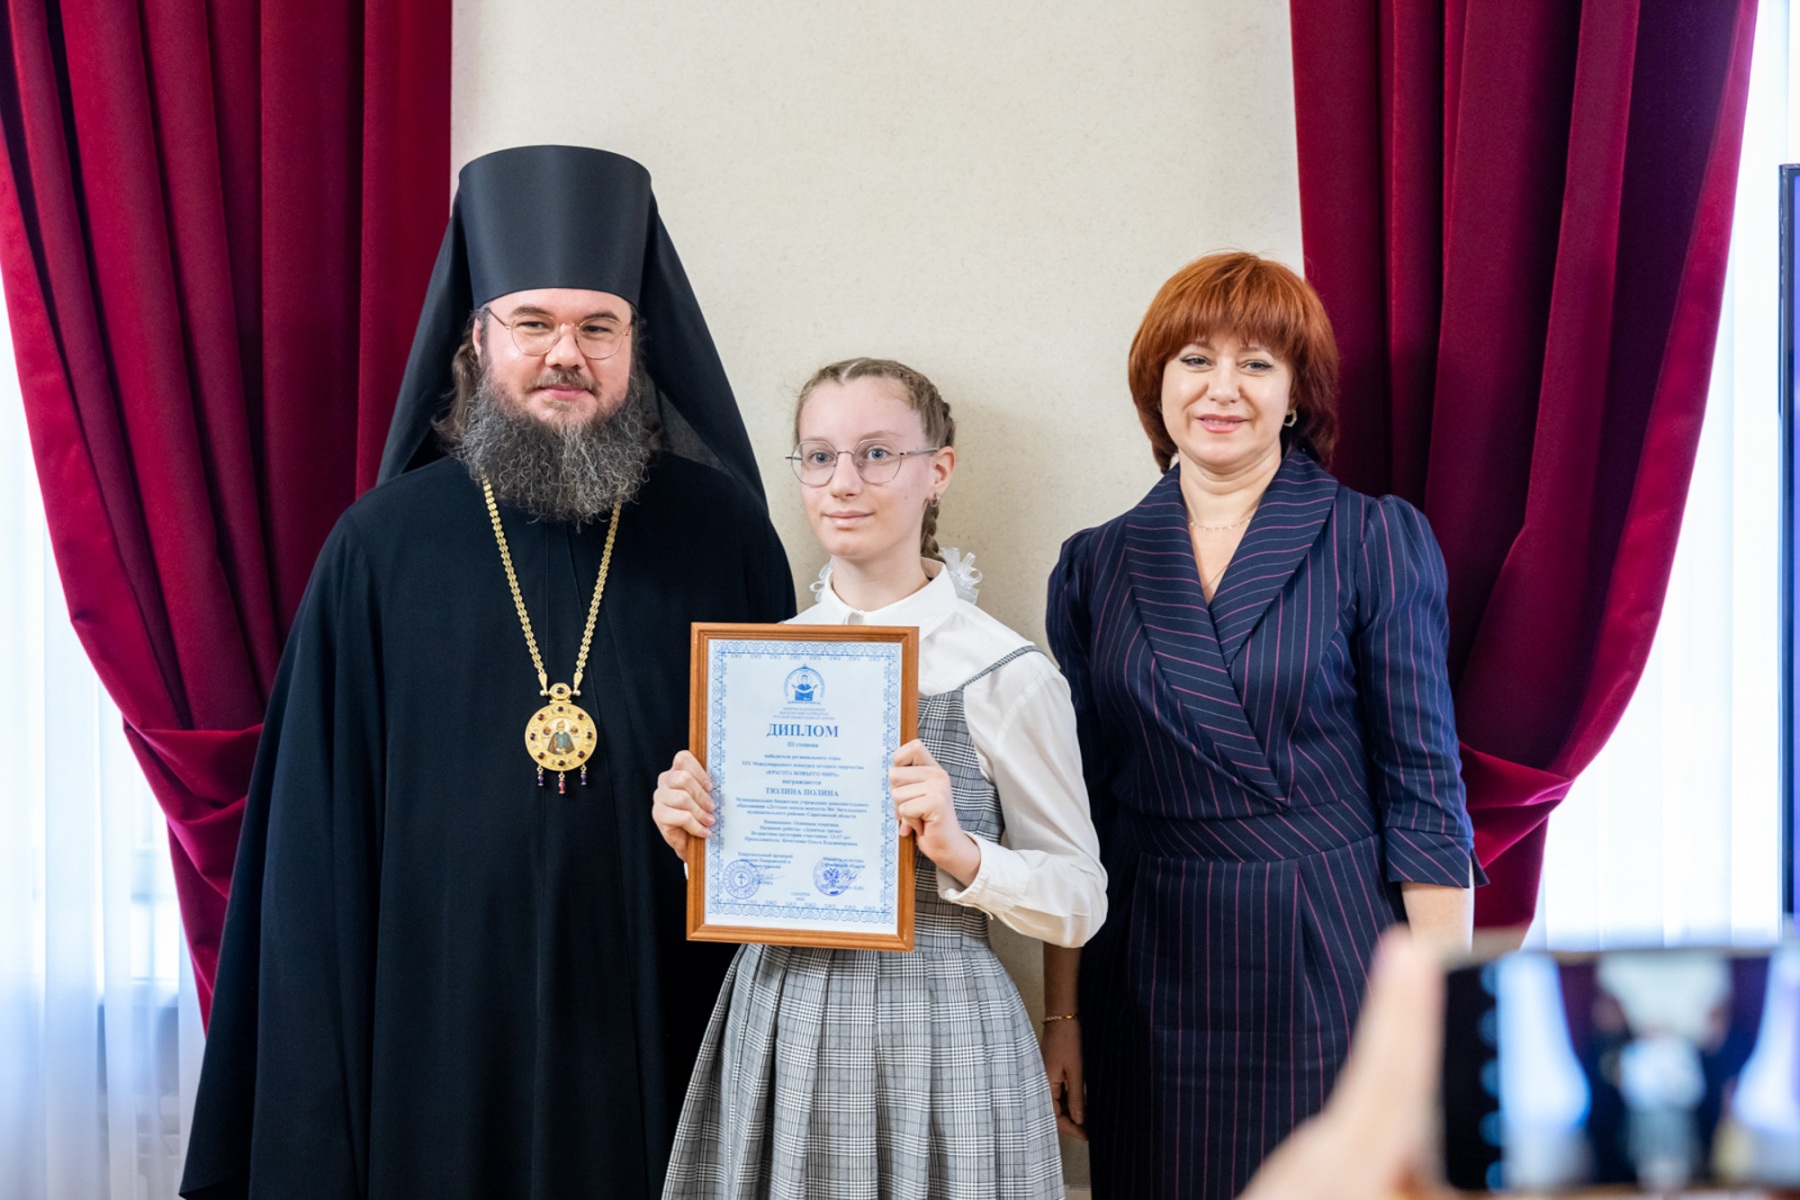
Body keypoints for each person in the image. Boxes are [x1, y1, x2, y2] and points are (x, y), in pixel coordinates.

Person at [180, 147, 795, 1200]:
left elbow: (784, 781)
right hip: (438, 1013)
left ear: (637, 344)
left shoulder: (721, 531)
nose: (566, 355)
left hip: (662, 999)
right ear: (478, 338)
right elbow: (315, 840)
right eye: (534, 324)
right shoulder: (380, 547)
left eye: (598, 328)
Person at [1042, 251, 1482, 1199]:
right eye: (1196, 359)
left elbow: (1425, 796)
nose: (1222, 388)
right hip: (1149, 959)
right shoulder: (1094, 564)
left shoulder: (1373, 538)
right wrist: (1062, 1016)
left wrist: (1443, 1023)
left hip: (1326, 941)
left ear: (1294, 395)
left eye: (1256, 363)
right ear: (1157, 383)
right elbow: (1075, 818)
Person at [651, 357, 1107, 1199]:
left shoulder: (1005, 673)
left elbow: (1080, 898)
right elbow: (754, 877)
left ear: (939, 470)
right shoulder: (758, 664)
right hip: (778, 1016)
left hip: (940, 1024)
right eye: (820, 456)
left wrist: (963, 852)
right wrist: (694, 842)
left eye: (877, 454)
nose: (843, 482)